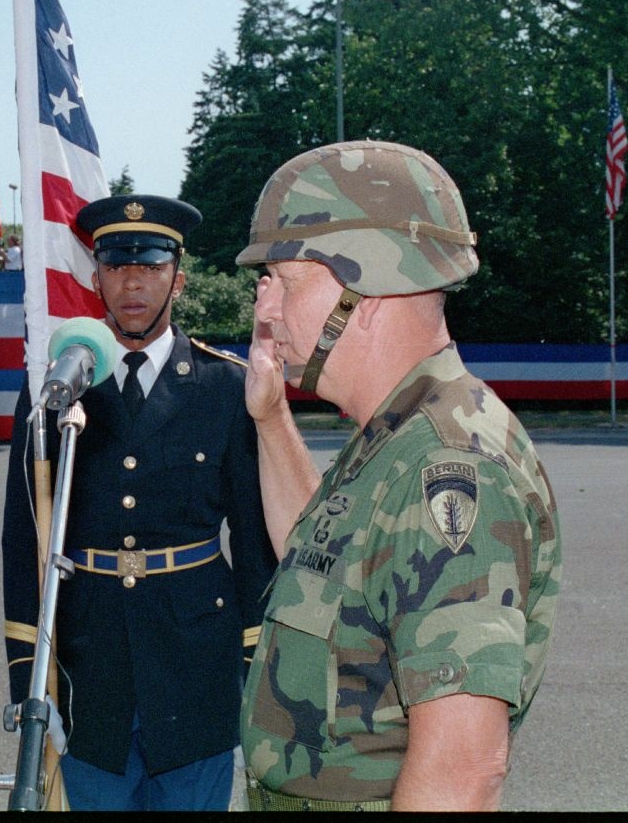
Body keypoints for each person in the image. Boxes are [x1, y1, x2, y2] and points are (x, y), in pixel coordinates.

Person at [234, 140, 562, 811]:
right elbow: (324, 563)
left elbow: (463, 769)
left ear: (369, 286)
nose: (265, 314)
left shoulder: (451, 465)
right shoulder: (391, 436)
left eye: (286, 283)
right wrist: (270, 420)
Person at [1, 194, 277, 811]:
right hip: (88, 668)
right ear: (94, 276)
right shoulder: (53, 389)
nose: (133, 282)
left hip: (197, 667)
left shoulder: (224, 388)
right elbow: (24, 541)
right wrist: (29, 678)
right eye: (117, 266)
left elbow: (256, 544)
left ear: (178, 278)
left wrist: (260, 671)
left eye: (150, 267)